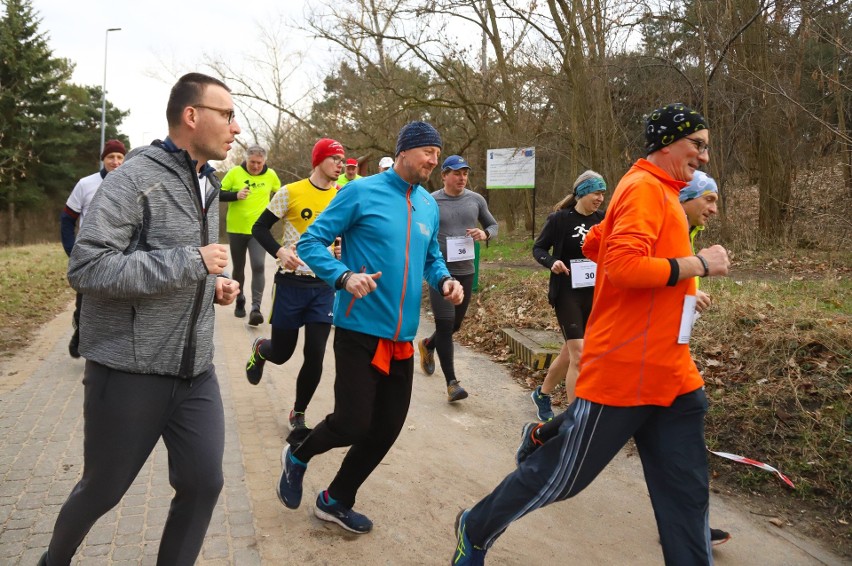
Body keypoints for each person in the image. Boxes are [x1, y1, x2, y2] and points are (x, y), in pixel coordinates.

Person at [451, 103, 731, 566]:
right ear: (667, 143)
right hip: (626, 372)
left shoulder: (656, 191)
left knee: (686, 495)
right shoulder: (644, 189)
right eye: (697, 145)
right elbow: (621, 268)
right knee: (565, 476)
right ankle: (476, 525)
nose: (703, 156)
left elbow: (599, 244)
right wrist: (700, 264)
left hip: (672, 375)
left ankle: (549, 432)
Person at [40, 72, 241, 566]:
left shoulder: (208, 184)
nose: (235, 128)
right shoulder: (133, 179)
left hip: (195, 372)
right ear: (192, 116)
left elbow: (186, 263)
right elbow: (87, 267)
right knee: (102, 490)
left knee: (204, 483)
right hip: (128, 372)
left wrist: (212, 285)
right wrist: (192, 262)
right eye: (227, 114)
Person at [276, 121, 463, 534]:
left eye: (437, 152)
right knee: (353, 423)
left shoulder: (428, 205)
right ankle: (298, 455)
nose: (434, 160)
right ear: (402, 153)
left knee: (386, 430)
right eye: (427, 152)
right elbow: (309, 243)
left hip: (402, 338)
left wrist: (444, 279)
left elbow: (432, 256)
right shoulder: (360, 192)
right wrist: (343, 277)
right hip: (359, 328)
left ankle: (335, 499)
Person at [244, 138, 344, 433]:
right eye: (335, 159)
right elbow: (259, 228)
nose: (340, 165)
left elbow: (346, 235)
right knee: (283, 352)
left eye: (342, 160)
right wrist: (280, 251)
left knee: (315, 353)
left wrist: (341, 250)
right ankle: (261, 350)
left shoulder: (342, 196)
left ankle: (298, 413)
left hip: (324, 287)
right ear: (319, 160)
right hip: (290, 284)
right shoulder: (290, 192)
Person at [418, 154, 497, 402]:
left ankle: (428, 345)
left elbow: (493, 226)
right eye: (456, 173)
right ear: (444, 175)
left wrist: (485, 234)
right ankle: (452, 383)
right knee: (444, 324)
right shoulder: (431, 201)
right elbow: (420, 231)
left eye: (465, 173)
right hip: (439, 272)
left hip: (465, 271)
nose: (462, 177)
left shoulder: (476, 200)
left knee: (454, 326)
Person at [529, 171, 606, 421]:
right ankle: (576, 417)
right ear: (582, 193)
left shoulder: (603, 220)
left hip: (594, 293)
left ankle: (542, 393)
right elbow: (538, 248)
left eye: (603, 193)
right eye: (596, 192)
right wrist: (552, 262)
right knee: (580, 356)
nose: (600, 198)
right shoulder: (560, 220)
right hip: (567, 293)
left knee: (571, 352)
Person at [680, 170, 731, 546]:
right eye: (709, 199)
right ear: (687, 197)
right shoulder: (664, 227)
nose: (715, 208)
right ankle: (541, 434)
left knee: (683, 444)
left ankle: (689, 530)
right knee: (589, 431)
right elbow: (633, 277)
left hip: (672, 353)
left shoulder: (688, 232)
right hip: (639, 354)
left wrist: (689, 298)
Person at [60, 139, 127, 358]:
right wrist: (72, 250)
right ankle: (80, 332)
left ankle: (109, 347)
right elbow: (67, 219)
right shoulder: (85, 184)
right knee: (84, 301)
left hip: (119, 254)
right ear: (103, 160)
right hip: (89, 253)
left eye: (119, 157)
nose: (115, 162)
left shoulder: (131, 184)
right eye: (111, 157)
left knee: (116, 302)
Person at [219, 145, 281, 325]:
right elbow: (218, 194)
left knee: (259, 265)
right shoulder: (234, 173)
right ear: (246, 159)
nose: (255, 166)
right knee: (238, 269)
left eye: (259, 163)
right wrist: (235, 195)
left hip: (258, 231)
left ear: (265, 161)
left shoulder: (271, 175)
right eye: (252, 162)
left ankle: (256, 308)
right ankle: (240, 300)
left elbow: (280, 194)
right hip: (236, 229)